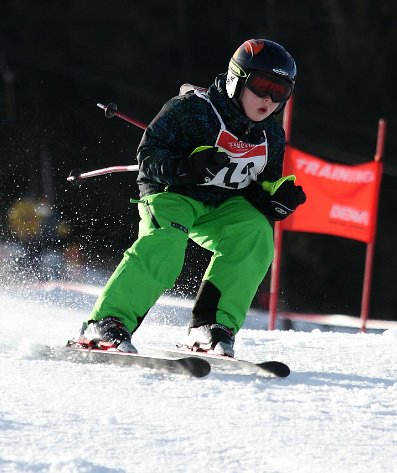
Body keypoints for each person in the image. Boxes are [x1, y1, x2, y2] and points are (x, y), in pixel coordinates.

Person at [75, 39, 306, 356]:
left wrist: (273, 201)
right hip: (173, 193)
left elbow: (259, 185)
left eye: (279, 92)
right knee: (167, 242)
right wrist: (185, 169)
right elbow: (148, 156)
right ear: (235, 79)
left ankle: (210, 326)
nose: (269, 99)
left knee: (257, 232)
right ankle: (107, 323)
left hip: (222, 204)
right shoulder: (193, 111)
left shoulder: (271, 135)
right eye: (262, 86)